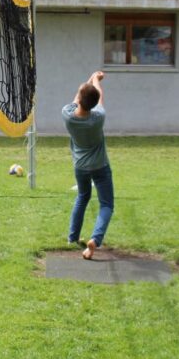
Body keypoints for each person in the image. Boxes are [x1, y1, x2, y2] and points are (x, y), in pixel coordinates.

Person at [63, 70, 112, 260]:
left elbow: (79, 98)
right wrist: (96, 81)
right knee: (106, 204)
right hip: (100, 166)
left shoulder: (67, 115)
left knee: (83, 197)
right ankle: (95, 239)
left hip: (80, 167)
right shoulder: (98, 117)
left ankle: (72, 237)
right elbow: (98, 98)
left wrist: (89, 79)